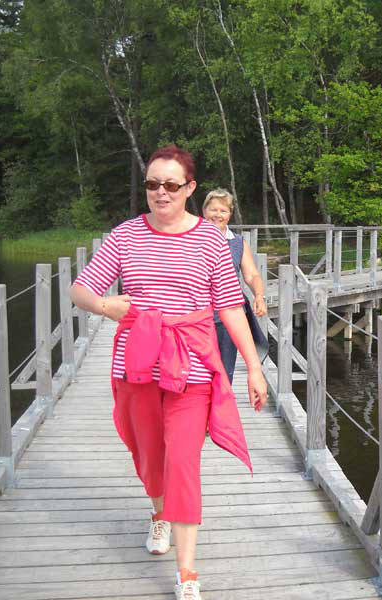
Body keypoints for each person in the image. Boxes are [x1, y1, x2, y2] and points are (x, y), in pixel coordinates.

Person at [70, 144, 267, 600]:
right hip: (136, 366)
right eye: (153, 184)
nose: (161, 192)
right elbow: (81, 289)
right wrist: (104, 306)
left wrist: (254, 368)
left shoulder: (211, 239)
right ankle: (159, 513)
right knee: (148, 457)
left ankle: (187, 570)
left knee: (182, 461)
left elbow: (229, 306)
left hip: (192, 367)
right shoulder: (125, 236)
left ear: (190, 188)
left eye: (171, 185)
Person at [202, 188, 268, 383]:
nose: (218, 215)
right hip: (197, 316)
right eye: (213, 209)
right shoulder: (190, 239)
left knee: (224, 372)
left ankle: (222, 401)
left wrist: (259, 296)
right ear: (204, 211)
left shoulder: (238, 242)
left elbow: (252, 275)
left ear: (230, 214)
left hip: (227, 317)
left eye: (223, 211)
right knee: (197, 372)